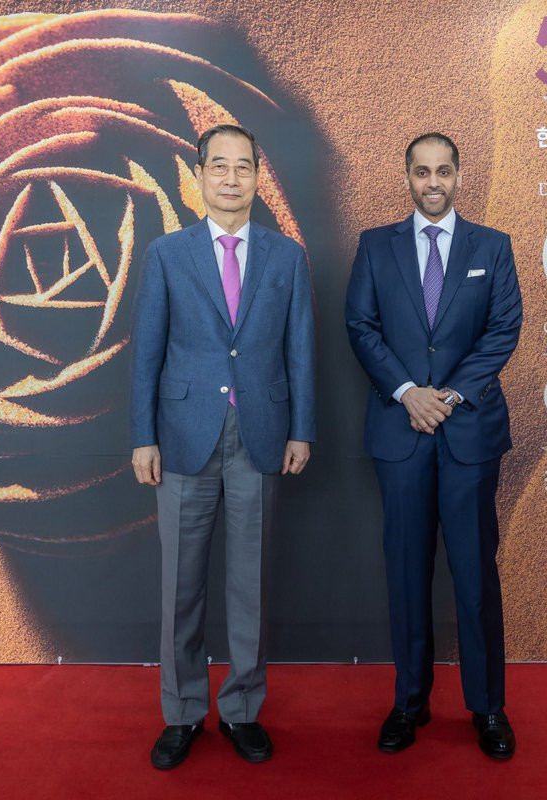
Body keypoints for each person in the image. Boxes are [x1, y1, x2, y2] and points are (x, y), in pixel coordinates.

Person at [129, 124, 315, 769]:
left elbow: (301, 349)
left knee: (249, 585)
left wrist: (302, 428)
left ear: (258, 177)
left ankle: (241, 709)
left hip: (261, 434)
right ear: (199, 174)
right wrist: (143, 436)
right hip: (184, 436)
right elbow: (147, 353)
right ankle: (182, 712)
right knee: (180, 586)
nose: (232, 178)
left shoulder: (286, 257)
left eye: (243, 167)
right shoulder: (167, 254)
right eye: (220, 166)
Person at [344, 132, 522, 759]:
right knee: (406, 572)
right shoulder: (375, 246)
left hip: (468, 431)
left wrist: (445, 396)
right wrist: (406, 393)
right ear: (408, 178)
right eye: (422, 172)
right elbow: (360, 325)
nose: (433, 182)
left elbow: (503, 329)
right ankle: (409, 703)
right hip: (401, 432)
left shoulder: (492, 246)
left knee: (475, 574)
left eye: (443, 171)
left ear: (459, 176)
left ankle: (488, 707)